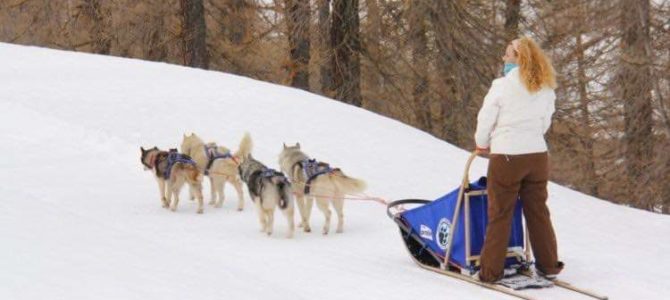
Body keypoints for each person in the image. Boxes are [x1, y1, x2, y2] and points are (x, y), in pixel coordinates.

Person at [474, 36, 564, 283]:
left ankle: (490, 272)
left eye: (507, 54)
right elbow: (545, 122)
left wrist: (481, 143)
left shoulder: (502, 86)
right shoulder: (545, 87)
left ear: (518, 58)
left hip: (507, 157)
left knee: (500, 213)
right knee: (538, 211)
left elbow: (486, 119)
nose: (504, 58)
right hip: (537, 156)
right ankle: (548, 265)